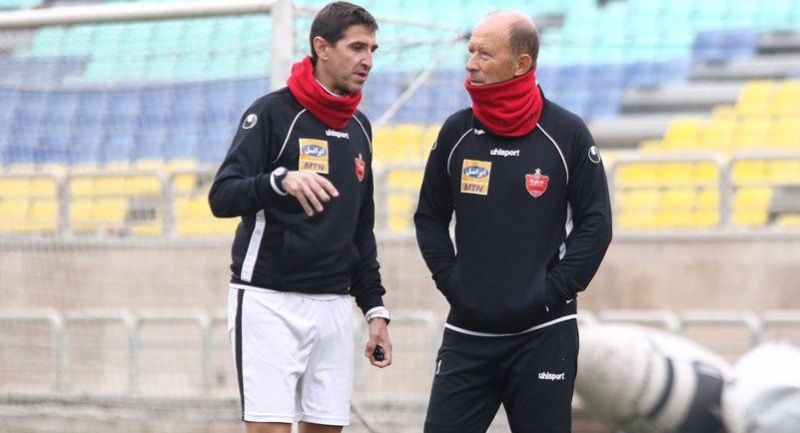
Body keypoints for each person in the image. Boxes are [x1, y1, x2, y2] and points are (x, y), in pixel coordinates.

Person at [414, 10, 612, 433]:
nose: (471, 64)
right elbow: (429, 216)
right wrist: (452, 281)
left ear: (521, 63)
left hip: (544, 333)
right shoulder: (456, 132)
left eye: (484, 54)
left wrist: (551, 292)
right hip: (468, 334)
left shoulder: (567, 133)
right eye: (470, 52)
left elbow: (596, 225)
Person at [208, 3, 391, 433]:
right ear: (322, 48)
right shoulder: (273, 113)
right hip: (269, 300)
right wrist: (280, 181)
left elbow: (360, 231)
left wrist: (375, 309)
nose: (367, 60)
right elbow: (222, 196)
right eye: (357, 47)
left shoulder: (360, 128)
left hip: (334, 305)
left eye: (373, 49)